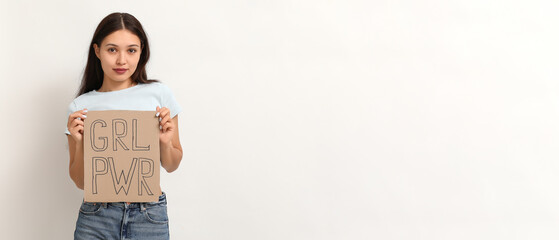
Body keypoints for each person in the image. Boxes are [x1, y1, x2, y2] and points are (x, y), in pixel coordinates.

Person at [65, 12, 182, 240]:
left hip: (148, 215)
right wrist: (79, 144)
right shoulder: (81, 106)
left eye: (131, 50)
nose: (121, 61)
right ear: (97, 50)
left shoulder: (159, 94)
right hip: (97, 216)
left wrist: (165, 143)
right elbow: (81, 182)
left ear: (141, 52)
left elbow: (172, 165)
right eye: (112, 50)